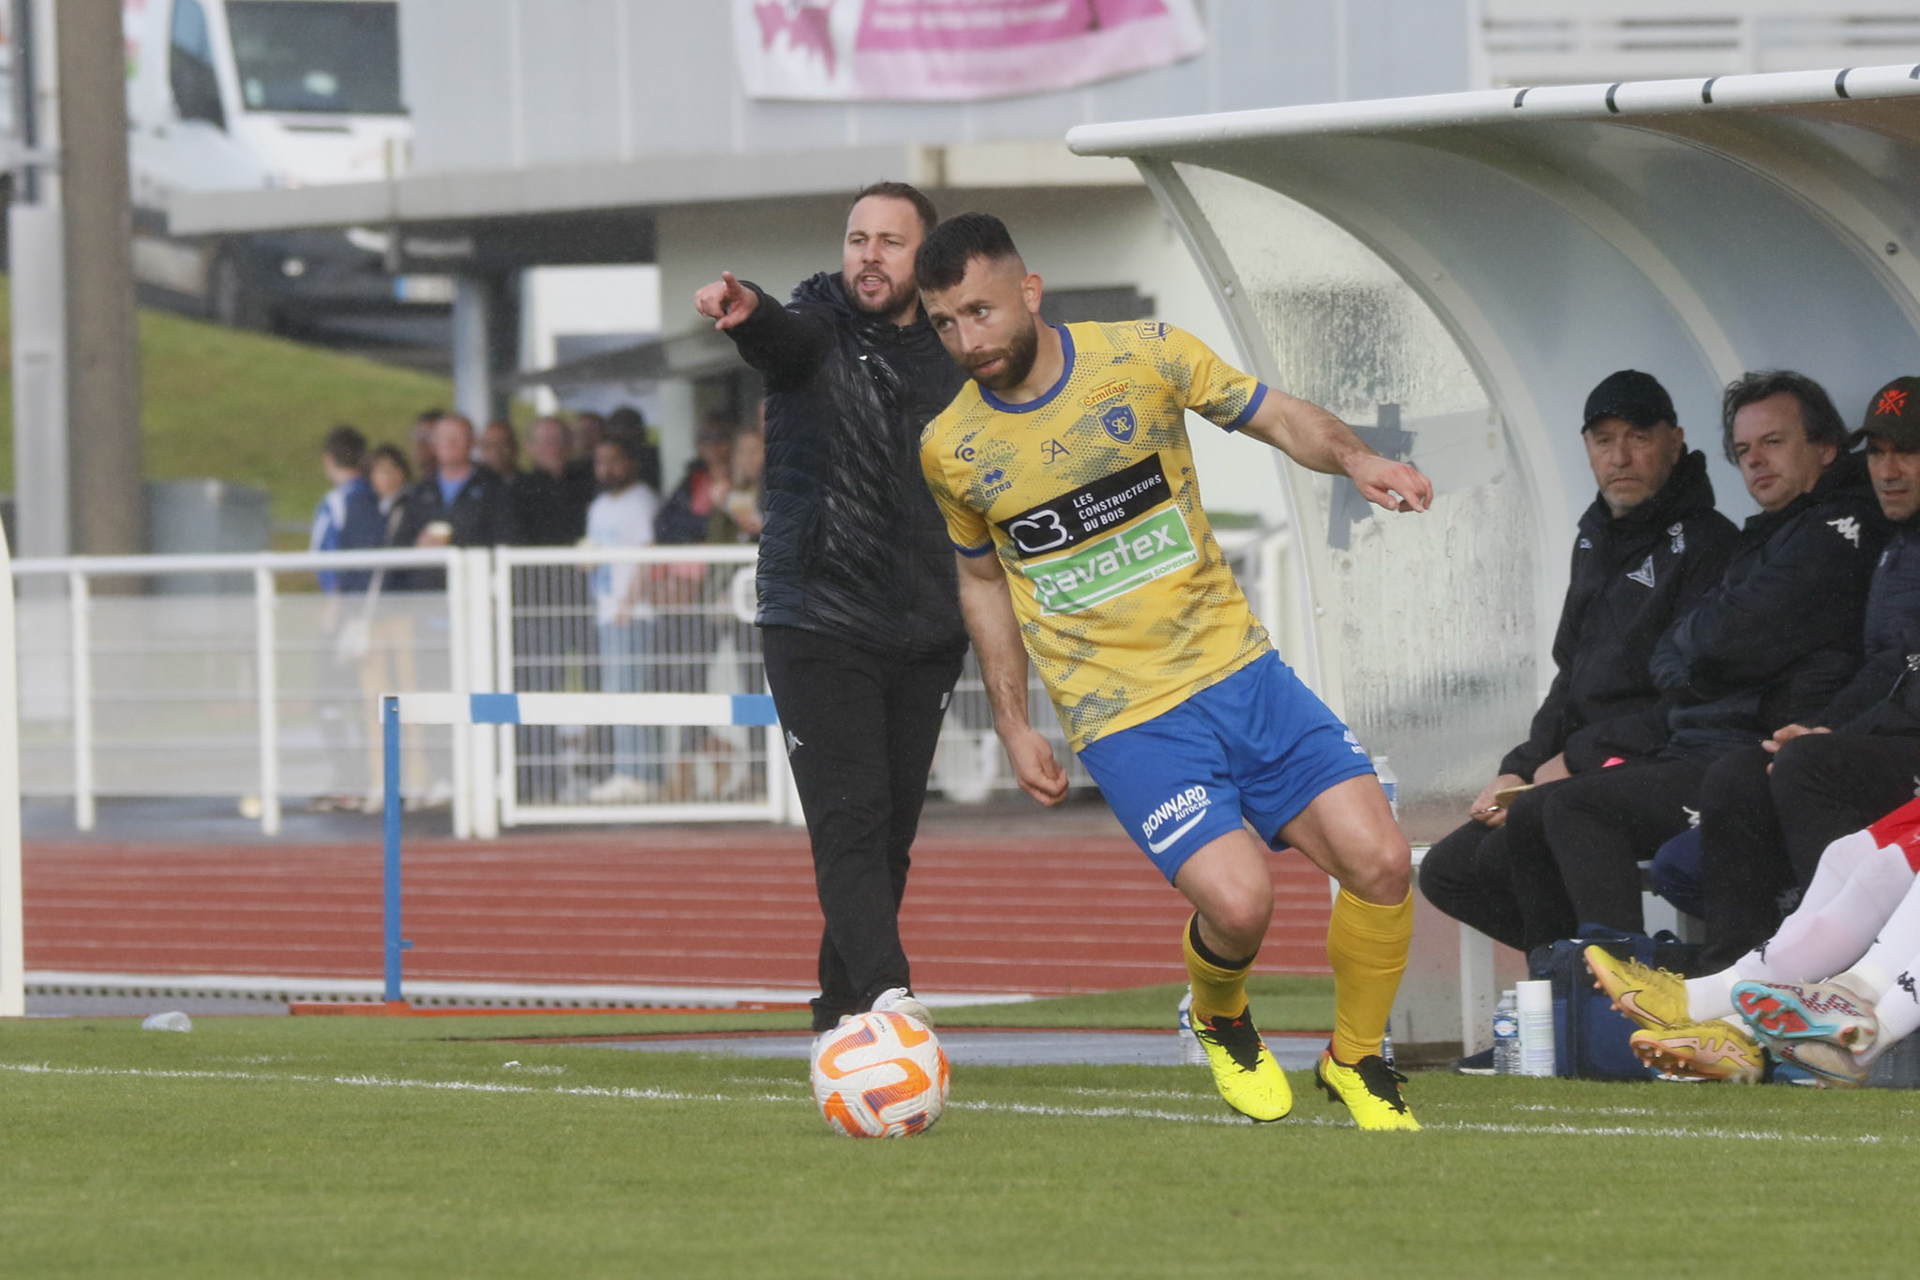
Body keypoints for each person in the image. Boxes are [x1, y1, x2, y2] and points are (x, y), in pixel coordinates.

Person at [916, 212, 1433, 1130]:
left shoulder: (1143, 355)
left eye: (980, 311)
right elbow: (983, 579)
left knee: (1384, 862)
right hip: (1125, 716)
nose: (967, 340)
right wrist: (1012, 719)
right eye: (944, 323)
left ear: (1029, 291)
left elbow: (1276, 414)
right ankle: (1220, 1013)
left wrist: (1356, 457)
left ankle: (1354, 1060)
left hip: (1240, 671)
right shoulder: (951, 449)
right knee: (1240, 905)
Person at [693, 181, 969, 1035]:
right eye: (858, 239)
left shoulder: (954, 352)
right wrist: (748, 312)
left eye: (890, 241)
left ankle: (838, 1017)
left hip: (926, 629)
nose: (869, 255)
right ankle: (889, 997)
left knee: (887, 839)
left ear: (925, 258)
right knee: (850, 820)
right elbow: (781, 336)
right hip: (818, 614)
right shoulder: (816, 325)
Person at [1586, 377, 1920, 1079]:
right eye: (1880, 452)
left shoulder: (1848, 533)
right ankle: (1735, 1010)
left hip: (1892, 748)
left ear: (1821, 450)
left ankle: (1817, 1020)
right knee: (1778, 798)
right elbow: (1889, 667)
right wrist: (1826, 727)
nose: (1889, 469)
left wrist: (1832, 735)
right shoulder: (1893, 542)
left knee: (1806, 772)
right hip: (1876, 743)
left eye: (1908, 452)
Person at [1497, 371, 1884, 953]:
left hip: (1752, 753)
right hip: (1701, 747)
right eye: (1744, 450)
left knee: (1576, 808)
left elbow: (1727, 637)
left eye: (1773, 443)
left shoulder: (1829, 531)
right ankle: (1569, 994)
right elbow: (1671, 655)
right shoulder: (1764, 534)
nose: (1756, 461)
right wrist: (1526, 763)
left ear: (1826, 447)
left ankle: (1630, 990)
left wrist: (1695, 661)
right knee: (1517, 825)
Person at [1419, 370, 1738, 967]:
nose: (1620, 457)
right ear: (1587, 447)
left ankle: (1608, 992)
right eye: (1604, 440)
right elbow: (1571, 678)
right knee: (1449, 870)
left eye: (1638, 437)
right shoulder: (1593, 539)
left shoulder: (1710, 545)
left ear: (1674, 442)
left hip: (1661, 759)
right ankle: (1571, 984)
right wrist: (1518, 769)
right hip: (1584, 766)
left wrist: (1575, 760)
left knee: (1534, 825)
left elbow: (1690, 697)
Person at [309, 425, 387, 811]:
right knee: (353, 696)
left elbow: (332, 557)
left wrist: (335, 604)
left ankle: (349, 776)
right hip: (362, 611)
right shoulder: (372, 498)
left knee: (330, 695)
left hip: (348, 614)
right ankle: (357, 775)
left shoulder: (343, 501)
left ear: (329, 460)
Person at [584, 433, 663, 802]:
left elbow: (649, 553)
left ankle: (639, 773)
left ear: (630, 462)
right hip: (606, 609)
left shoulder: (642, 500)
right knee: (616, 691)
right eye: (600, 461)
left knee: (632, 691)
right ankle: (627, 770)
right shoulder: (598, 506)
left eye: (614, 460)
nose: (607, 468)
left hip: (632, 612)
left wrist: (629, 602)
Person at [388, 413, 522, 590]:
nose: (449, 443)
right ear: (434, 444)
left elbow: (508, 542)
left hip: (475, 592)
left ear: (472, 442)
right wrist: (418, 546)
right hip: (427, 595)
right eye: (443, 437)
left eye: (456, 437)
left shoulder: (493, 489)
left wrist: (455, 544)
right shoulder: (419, 493)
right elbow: (397, 548)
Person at [513, 416, 590, 546]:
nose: (554, 448)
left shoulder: (587, 484)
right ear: (529, 446)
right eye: (546, 441)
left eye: (559, 440)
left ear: (570, 444)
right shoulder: (517, 490)